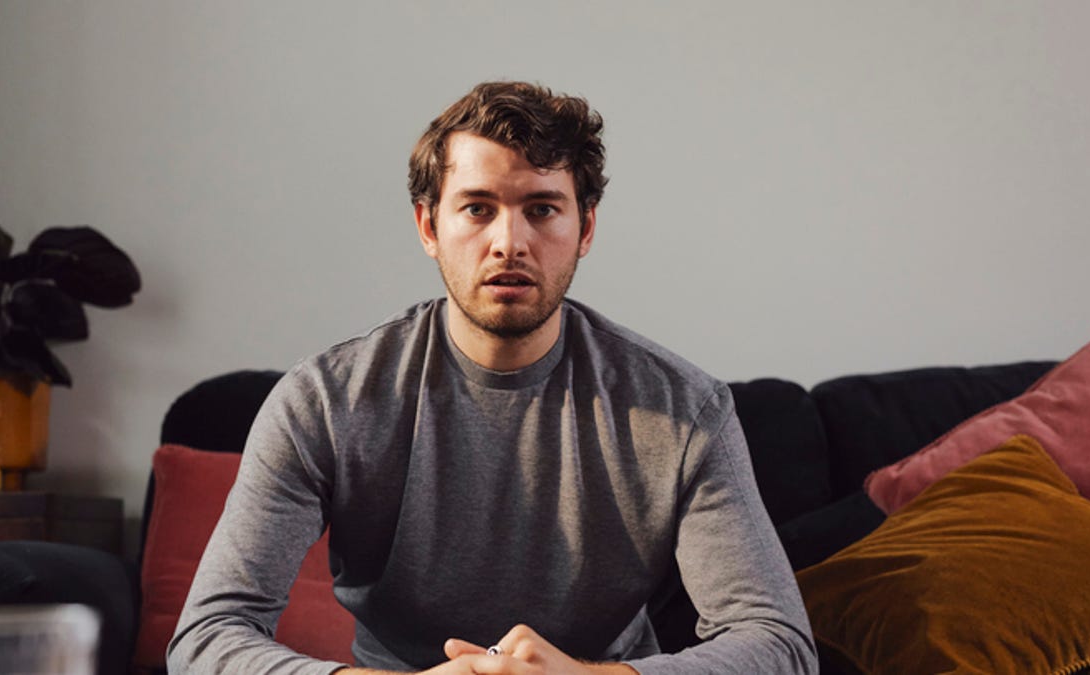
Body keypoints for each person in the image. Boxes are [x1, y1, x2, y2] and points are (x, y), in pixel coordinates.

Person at [168, 81, 818, 674]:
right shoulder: (324, 403)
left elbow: (779, 643)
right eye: (478, 209)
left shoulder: (684, 409)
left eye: (541, 209)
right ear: (429, 226)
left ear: (585, 226)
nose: (510, 241)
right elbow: (206, 636)